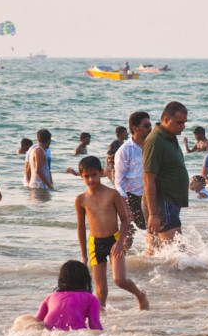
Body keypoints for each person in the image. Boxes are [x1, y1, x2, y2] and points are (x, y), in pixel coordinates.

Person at [75, 156, 149, 310]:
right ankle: (100, 322)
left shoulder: (112, 194)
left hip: (114, 240)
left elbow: (125, 220)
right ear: (81, 176)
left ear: (101, 173)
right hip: (95, 244)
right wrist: (84, 255)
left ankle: (140, 295)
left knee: (119, 280)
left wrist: (120, 242)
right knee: (100, 291)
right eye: (86, 176)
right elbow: (81, 228)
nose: (90, 179)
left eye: (94, 175)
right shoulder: (81, 199)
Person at [142, 101, 190, 246]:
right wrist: (153, 214)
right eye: (179, 122)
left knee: (155, 252)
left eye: (184, 122)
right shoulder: (155, 141)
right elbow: (148, 179)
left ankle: (137, 269)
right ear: (165, 119)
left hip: (169, 203)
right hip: (162, 204)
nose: (183, 126)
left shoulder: (170, 136)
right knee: (177, 254)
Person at [114, 112, 151, 245]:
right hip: (132, 197)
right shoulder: (125, 150)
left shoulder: (151, 146)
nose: (150, 129)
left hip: (150, 195)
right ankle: (123, 262)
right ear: (135, 128)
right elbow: (118, 181)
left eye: (150, 125)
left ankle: (153, 261)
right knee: (128, 236)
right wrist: (125, 205)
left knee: (155, 231)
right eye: (146, 126)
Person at [36, 260, 103, 331]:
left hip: (49, 331)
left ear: (61, 279)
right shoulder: (91, 299)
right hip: (75, 332)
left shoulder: (50, 297)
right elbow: (94, 324)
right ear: (86, 279)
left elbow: (36, 321)